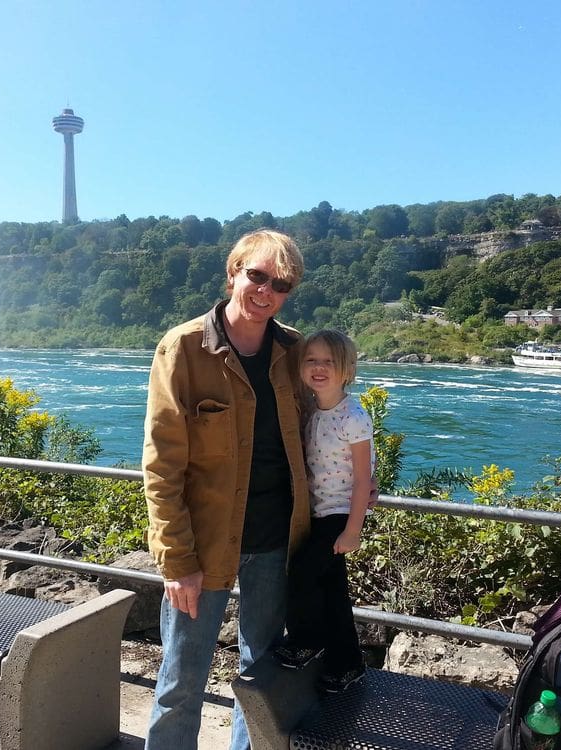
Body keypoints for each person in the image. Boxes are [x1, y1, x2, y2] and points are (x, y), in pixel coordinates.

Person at [143, 230, 311, 749]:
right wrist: (176, 560)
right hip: (203, 543)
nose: (266, 292)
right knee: (181, 677)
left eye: (280, 284)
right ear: (233, 271)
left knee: (261, 678)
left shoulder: (293, 349)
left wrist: (359, 478)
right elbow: (162, 463)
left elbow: (321, 430)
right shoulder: (185, 347)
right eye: (257, 276)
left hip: (275, 539)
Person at [274, 329, 373, 693]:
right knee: (333, 593)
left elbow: (363, 480)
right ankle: (348, 664)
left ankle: (306, 642)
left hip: (338, 516)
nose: (318, 367)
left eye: (328, 362)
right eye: (311, 360)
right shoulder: (313, 408)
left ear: (346, 369)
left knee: (300, 573)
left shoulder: (354, 417)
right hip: (318, 512)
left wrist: (353, 530)